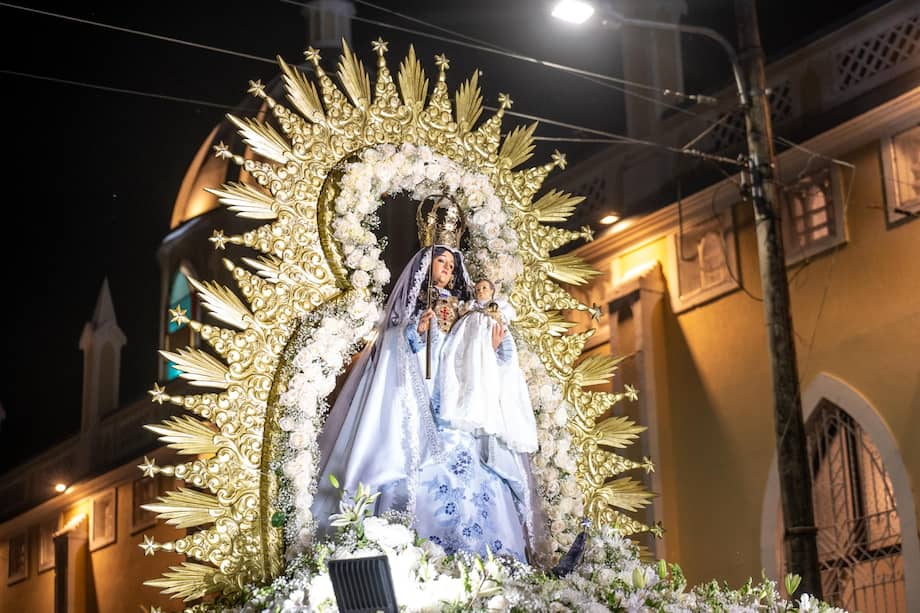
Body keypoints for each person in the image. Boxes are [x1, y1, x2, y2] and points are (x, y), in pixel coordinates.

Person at [312, 198, 545, 563]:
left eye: (452, 265)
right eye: (441, 262)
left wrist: (490, 346)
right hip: (422, 414)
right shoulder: (414, 309)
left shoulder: (467, 310)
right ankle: (422, 564)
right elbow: (393, 351)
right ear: (426, 263)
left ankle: (490, 568)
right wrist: (416, 333)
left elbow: (476, 354)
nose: (447, 270)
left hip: (461, 416)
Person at [436, 278, 538, 454]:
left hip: (486, 352)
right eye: (477, 289)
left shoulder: (496, 312)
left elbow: (504, 339)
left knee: (481, 380)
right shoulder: (469, 310)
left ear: (492, 291)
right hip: (467, 349)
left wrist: (494, 348)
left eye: (484, 288)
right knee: (460, 371)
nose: (480, 291)